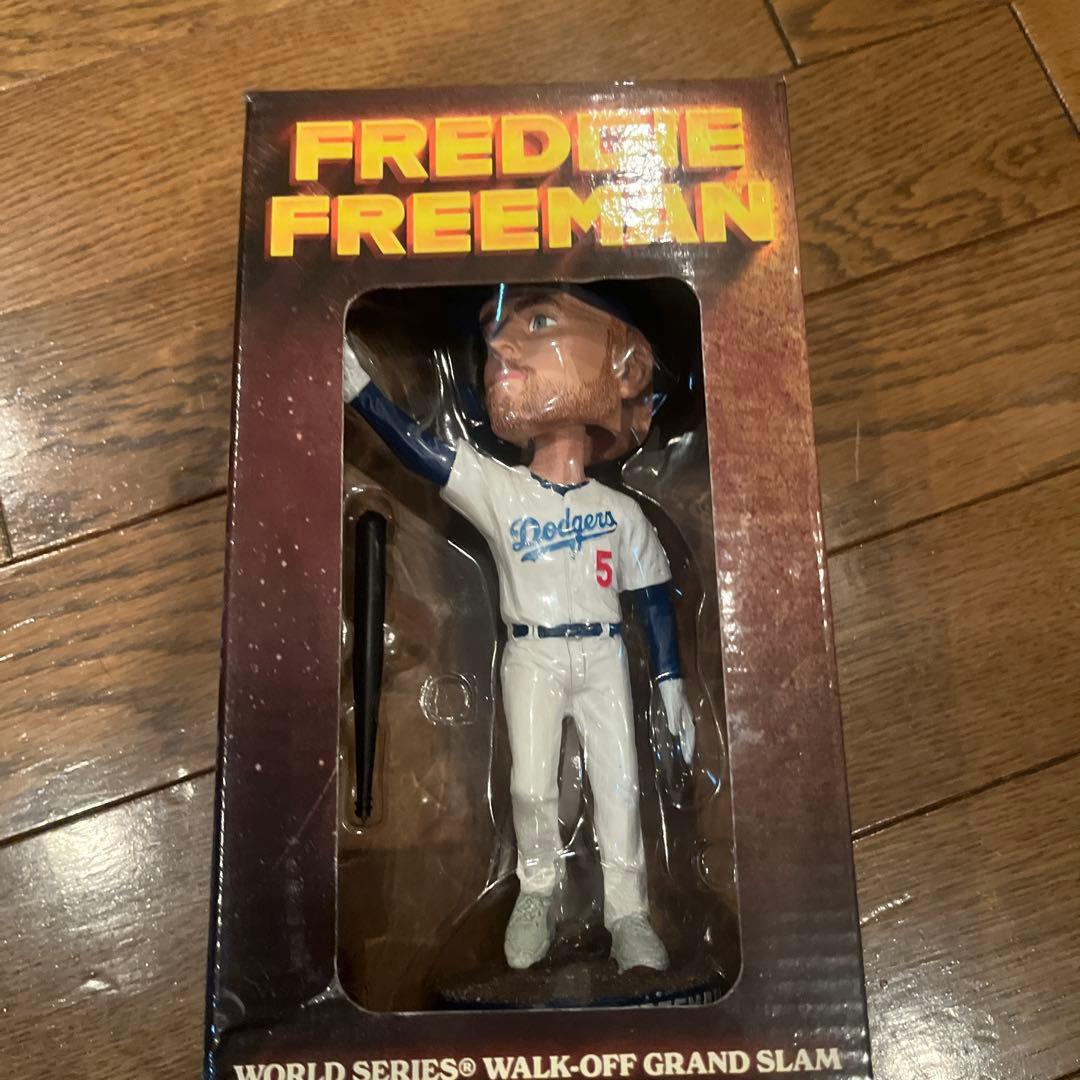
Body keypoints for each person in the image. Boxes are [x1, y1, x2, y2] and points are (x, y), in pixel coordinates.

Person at [344, 284, 695, 972]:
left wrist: (671, 683)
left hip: (602, 655)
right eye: (492, 332)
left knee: (619, 786)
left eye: (538, 321)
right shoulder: (501, 489)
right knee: (531, 786)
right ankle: (536, 891)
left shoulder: (620, 510)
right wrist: (360, 392)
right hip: (532, 655)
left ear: (626, 370)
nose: (501, 346)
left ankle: (629, 913)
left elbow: (654, 598)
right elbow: (421, 452)